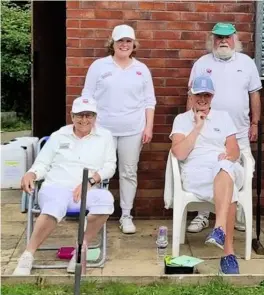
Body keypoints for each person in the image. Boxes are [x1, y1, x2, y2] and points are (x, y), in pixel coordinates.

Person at [13, 97, 116, 275]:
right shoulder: (59, 136)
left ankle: (79, 251)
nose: (84, 120)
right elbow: (43, 163)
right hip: (55, 186)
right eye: (79, 115)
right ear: (72, 116)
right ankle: (28, 255)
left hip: (87, 188)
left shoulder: (105, 136)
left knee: (106, 201)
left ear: (95, 117)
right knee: (55, 206)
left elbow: (110, 166)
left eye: (89, 115)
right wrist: (32, 173)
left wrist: (90, 182)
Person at [186, 22, 262, 233]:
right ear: (212, 40)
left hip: (239, 131)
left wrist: (255, 123)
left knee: (245, 170)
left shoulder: (247, 63)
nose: (222, 41)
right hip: (208, 132)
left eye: (227, 37)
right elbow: (191, 95)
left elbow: (254, 94)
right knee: (208, 169)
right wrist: (191, 123)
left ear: (235, 40)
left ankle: (236, 216)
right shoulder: (202, 63)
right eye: (218, 37)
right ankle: (203, 215)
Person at [81, 24, 156, 234]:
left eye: (128, 41)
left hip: (133, 129)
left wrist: (148, 127)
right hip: (103, 129)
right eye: (120, 41)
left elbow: (149, 101)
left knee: (128, 172)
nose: (124, 45)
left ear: (134, 45)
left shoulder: (141, 69)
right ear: (112, 43)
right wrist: (89, 125)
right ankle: (95, 214)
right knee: (100, 171)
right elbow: (87, 96)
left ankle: (126, 215)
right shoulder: (99, 66)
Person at [170, 75, 243, 274]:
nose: (202, 99)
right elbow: (179, 153)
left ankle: (218, 228)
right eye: (198, 95)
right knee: (231, 190)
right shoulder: (181, 120)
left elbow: (235, 151)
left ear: (212, 97)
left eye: (207, 95)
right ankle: (228, 255)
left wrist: (229, 155)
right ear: (191, 96)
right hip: (196, 170)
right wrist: (197, 127)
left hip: (223, 164)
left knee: (225, 167)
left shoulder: (223, 117)